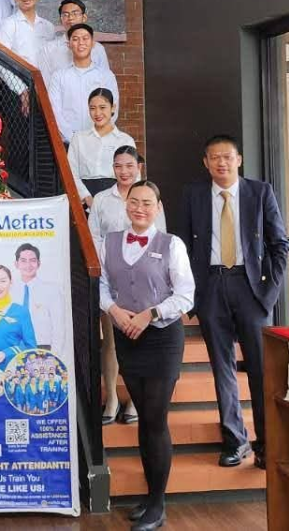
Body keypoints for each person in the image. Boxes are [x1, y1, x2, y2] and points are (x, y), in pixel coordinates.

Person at [177, 134, 288, 470]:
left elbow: (279, 245)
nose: (221, 162)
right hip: (211, 286)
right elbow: (182, 245)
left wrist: (269, 294)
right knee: (222, 367)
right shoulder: (194, 194)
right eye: (214, 157)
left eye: (227, 156)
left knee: (260, 368)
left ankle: (266, 443)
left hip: (250, 287)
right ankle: (235, 440)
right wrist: (192, 292)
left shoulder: (260, 192)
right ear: (206, 162)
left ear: (238, 160)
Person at [99, 181, 194, 531]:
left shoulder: (172, 244)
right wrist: (114, 310)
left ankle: (157, 504)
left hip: (162, 338)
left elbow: (186, 295)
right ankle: (151, 496)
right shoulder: (109, 242)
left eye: (147, 203)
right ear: (126, 204)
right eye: (134, 201)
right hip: (127, 337)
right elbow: (101, 284)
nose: (139, 208)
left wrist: (150, 314)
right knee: (144, 420)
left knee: (155, 419)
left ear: (158, 207)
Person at [89, 146, 167, 426]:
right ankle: (111, 397)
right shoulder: (101, 199)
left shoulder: (149, 196)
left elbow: (161, 237)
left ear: (139, 167)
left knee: (141, 339)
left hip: (146, 280)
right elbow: (93, 237)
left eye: (129, 166)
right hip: (113, 279)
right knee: (111, 342)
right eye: (118, 166)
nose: (124, 171)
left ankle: (135, 400)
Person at [0, 0, 55, 115]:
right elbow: (0, 62)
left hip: (46, 88)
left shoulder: (48, 27)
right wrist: (22, 90)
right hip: (18, 89)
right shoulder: (8, 25)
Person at [49, 24, 120, 143]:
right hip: (68, 142)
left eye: (85, 38)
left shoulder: (106, 76)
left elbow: (113, 108)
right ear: (69, 44)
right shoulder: (59, 76)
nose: (81, 43)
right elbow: (54, 111)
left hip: (99, 140)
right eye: (75, 39)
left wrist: (98, 135)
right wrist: (73, 139)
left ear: (93, 43)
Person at [67, 88, 134, 206]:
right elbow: (70, 172)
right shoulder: (78, 138)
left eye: (102, 107)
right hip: (83, 200)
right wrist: (87, 198)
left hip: (116, 199)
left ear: (113, 108)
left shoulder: (125, 140)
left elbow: (134, 175)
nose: (97, 113)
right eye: (92, 108)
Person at [39, 0, 110, 88]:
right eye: (66, 15)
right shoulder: (48, 49)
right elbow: (45, 83)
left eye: (75, 13)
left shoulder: (97, 48)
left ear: (84, 17)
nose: (70, 18)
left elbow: (105, 81)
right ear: (61, 20)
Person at [10, 242, 66, 355]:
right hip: (14, 349)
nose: (28, 265)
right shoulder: (9, 291)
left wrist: (54, 356)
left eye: (32, 260)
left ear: (38, 263)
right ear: (16, 264)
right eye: (23, 260)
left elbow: (59, 327)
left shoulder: (52, 291)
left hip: (42, 348)